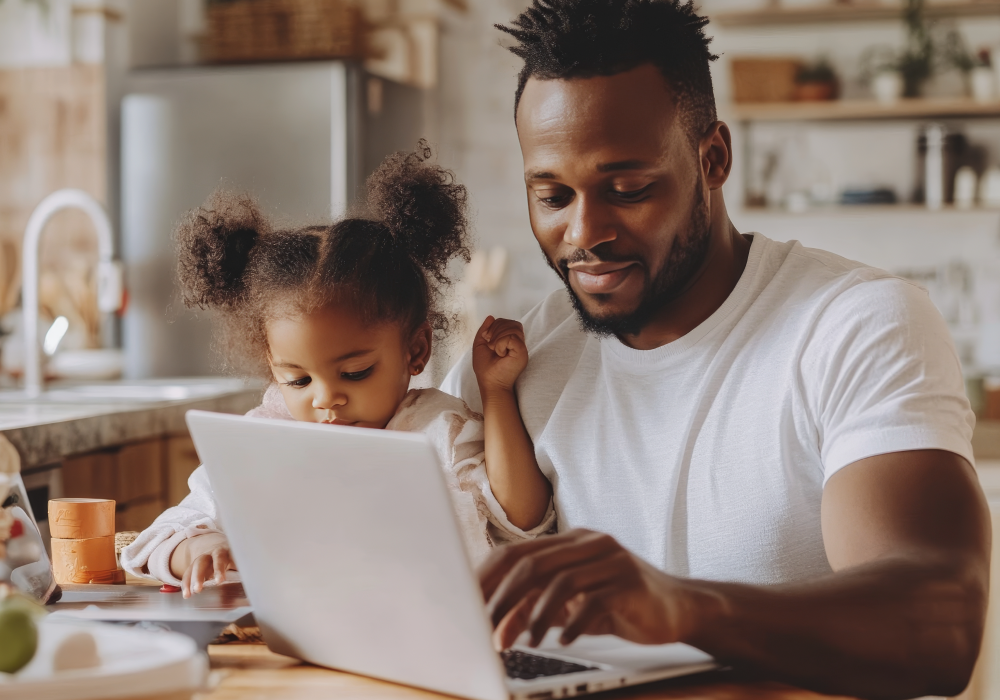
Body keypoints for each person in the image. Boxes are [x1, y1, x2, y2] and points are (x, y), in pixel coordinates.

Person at [440, 1, 991, 697]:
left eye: (628, 189)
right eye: (552, 195)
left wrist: (681, 607)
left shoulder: (856, 325)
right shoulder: (523, 355)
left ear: (714, 158)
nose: (585, 232)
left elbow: (938, 629)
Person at [121, 146, 554, 596]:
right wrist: (197, 544)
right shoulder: (263, 440)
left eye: (354, 373)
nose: (325, 399)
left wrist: (497, 391)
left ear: (416, 349)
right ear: (272, 366)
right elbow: (157, 537)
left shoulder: (439, 431)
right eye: (298, 380)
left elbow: (522, 519)